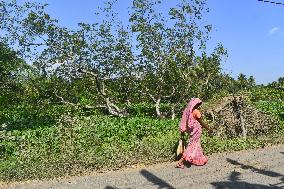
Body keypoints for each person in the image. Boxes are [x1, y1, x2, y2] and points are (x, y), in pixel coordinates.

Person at [176, 98, 213, 169]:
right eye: (198, 104)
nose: (199, 105)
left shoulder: (187, 111)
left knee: (195, 145)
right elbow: (201, 122)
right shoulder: (196, 111)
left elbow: (184, 122)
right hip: (196, 131)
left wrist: (182, 131)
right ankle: (180, 162)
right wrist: (208, 129)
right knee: (192, 146)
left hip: (191, 131)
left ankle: (200, 159)